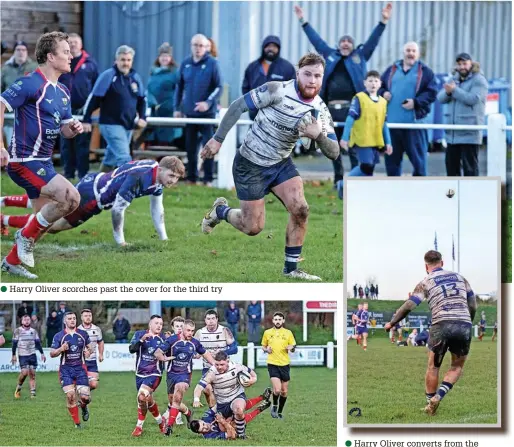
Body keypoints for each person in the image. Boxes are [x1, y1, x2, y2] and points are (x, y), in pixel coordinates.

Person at [200, 52, 339, 281]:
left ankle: (291, 270)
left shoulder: (320, 111)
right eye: (307, 74)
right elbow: (237, 106)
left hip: (280, 164)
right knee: (252, 227)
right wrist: (217, 139)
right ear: (297, 73)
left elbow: (334, 153)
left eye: (317, 76)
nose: (312, 80)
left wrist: (319, 137)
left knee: (301, 209)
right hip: (250, 163)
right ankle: (220, 212)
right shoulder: (276, 90)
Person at [0, 31, 84, 280]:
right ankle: (23, 236)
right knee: (71, 197)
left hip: (43, 161)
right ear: (50, 56)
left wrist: (73, 129)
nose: (71, 55)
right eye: (66, 51)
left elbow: (65, 131)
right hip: (24, 161)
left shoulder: (63, 93)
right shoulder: (30, 83)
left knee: (44, 222)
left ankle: (11, 262)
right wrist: (1, 146)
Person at [294, 3, 392, 193]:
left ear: (353, 46)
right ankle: (338, 180)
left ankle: (357, 181)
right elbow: (316, 40)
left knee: (354, 145)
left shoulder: (360, 56)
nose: (346, 43)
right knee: (333, 145)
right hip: (330, 110)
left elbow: (373, 40)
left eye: (349, 41)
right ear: (338, 45)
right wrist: (302, 21)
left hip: (353, 109)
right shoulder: (329, 55)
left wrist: (383, 21)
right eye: (343, 41)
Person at [0, 157, 185, 246]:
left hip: (94, 181)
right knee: (53, 224)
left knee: (49, 204)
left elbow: (157, 208)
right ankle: (4, 220)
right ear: (161, 169)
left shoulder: (155, 174)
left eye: (176, 178)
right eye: (171, 175)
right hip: (93, 197)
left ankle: (4, 201)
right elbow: (117, 210)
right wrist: (120, 242)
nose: (172, 181)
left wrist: (164, 238)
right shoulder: (141, 177)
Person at [384, 250, 477, 416]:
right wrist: (467, 322)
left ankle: (430, 403)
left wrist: (392, 323)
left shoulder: (425, 281)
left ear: (426, 266)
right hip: (463, 324)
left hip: (441, 324)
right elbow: (473, 304)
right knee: (456, 366)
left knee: (433, 367)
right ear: (442, 262)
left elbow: (408, 306)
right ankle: (439, 396)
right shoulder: (460, 278)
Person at [82, 45, 147, 172]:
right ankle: (129, 188)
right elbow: (94, 98)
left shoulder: (135, 77)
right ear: (116, 60)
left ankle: (98, 183)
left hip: (128, 124)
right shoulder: (108, 76)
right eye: (122, 60)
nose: (125, 63)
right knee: (124, 157)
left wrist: (143, 117)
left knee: (110, 158)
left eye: (128, 60)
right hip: (110, 123)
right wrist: (86, 119)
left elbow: (142, 100)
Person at [379, 42, 437, 176]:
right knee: (392, 162)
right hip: (392, 125)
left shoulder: (425, 71)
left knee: (419, 163)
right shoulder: (391, 70)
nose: (410, 53)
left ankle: (419, 191)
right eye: (408, 50)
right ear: (403, 52)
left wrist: (416, 102)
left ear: (418, 54)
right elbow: (380, 86)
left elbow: (432, 92)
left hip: (415, 125)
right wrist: (383, 93)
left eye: (413, 51)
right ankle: (394, 190)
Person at [174, 34, 223, 185]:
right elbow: (179, 87)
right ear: (191, 45)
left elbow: (219, 87)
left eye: (201, 45)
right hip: (189, 114)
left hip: (207, 115)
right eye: (195, 45)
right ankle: (192, 178)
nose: (198, 48)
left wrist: (207, 103)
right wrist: (177, 108)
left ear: (206, 47)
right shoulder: (185, 63)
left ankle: (207, 179)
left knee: (208, 147)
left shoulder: (212, 63)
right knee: (190, 147)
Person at [159, 319, 215, 436]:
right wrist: (162, 357)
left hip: (185, 375)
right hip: (171, 374)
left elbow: (205, 353)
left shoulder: (194, 342)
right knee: (173, 401)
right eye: (188, 330)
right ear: (182, 330)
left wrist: (216, 364)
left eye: (192, 331)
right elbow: (158, 352)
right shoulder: (172, 340)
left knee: (178, 394)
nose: (190, 333)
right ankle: (188, 412)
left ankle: (169, 426)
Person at [437, 53, 488, 176]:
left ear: (471, 63)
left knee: (470, 170)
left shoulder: (479, 80)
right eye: (459, 64)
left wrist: (454, 90)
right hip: (453, 135)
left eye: (465, 63)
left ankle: (471, 195)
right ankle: (453, 195)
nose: (462, 67)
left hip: (469, 133)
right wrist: (449, 92)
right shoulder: (453, 79)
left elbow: (473, 99)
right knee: (451, 169)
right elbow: (440, 98)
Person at [58, 33, 98, 180]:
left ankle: (83, 176)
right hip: (64, 110)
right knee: (66, 144)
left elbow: (96, 88)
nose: (73, 45)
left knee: (82, 144)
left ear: (81, 44)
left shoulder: (90, 63)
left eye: (76, 42)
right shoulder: (61, 61)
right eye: (70, 43)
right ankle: (68, 174)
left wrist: (91, 108)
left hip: (83, 110)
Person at [193, 351, 258, 439]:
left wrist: (253, 380)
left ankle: (241, 434)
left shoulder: (236, 366)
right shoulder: (212, 372)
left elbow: (253, 374)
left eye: (222, 364)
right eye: (217, 364)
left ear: (227, 361)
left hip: (237, 395)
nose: (219, 367)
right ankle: (238, 431)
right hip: (222, 403)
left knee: (238, 410)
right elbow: (199, 387)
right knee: (225, 425)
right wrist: (196, 399)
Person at [128, 314, 174, 437]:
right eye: (156, 323)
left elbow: (171, 352)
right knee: (147, 400)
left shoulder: (164, 338)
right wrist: (142, 340)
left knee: (142, 397)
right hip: (139, 374)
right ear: (150, 324)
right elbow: (131, 349)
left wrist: (171, 340)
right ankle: (161, 422)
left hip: (155, 374)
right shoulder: (139, 334)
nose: (159, 326)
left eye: (161, 324)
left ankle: (139, 427)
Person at [50, 311, 94, 428]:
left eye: (74, 318)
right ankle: (77, 423)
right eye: (69, 318)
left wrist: (89, 351)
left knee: (85, 398)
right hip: (66, 369)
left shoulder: (83, 334)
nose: (72, 320)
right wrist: (61, 349)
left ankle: (84, 407)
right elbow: (52, 354)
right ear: (65, 321)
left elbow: (91, 347)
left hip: (80, 369)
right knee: (70, 396)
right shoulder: (59, 336)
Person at [242, 35, 296, 120]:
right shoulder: (252, 67)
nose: (271, 49)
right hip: (256, 116)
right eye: (268, 46)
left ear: (278, 49)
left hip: (278, 118)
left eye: (274, 46)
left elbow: (293, 91)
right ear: (263, 48)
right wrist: (251, 105)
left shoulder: (287, 68)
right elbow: (245, 88)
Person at [194, 309, 238, 410]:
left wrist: (222, 354)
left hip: (224, 368)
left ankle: (223, 412)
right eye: (208, 319)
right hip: (208, 368)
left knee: (225, 395)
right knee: (207, 389)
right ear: (205, 320)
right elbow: (194, 351)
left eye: (213, 318)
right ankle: (213, 412)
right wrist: (197, 354)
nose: (211, 321)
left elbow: (235, 348)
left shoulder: (224, 331)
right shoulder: (200, 333)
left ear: (217, 319)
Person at [190, 389, 271, 439]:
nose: (206, 427)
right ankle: (258, 410)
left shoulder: (206, 417)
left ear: (201, 420)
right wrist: (223, 421)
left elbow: (216, 406)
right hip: (231, 427)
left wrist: (222, 411)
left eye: (203, 424)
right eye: (203, 430)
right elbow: (231, 435)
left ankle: (262, 397)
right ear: (200, 433)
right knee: (233, 424)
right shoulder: (210, 436)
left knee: (236, 406)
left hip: (226, 415)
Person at [1, 40, 38, 149]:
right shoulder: (5, 69)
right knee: (13, 147)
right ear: (14, 52)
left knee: (29, 148)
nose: (21, 52)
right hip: (10, 117)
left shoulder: (35, 68)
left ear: (27, 52)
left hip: (30, 115)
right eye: (18, 50)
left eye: (23, 50)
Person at [261, 312, 296, 419]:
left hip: (284, 364)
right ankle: (275, 406)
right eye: (275, 319)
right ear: (273, 321)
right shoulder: (267, 332)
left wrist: (291, 348)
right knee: (277, 390)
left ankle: (280, 412)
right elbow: (263, 346)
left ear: (283, 321)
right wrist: (267, 350)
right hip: (272, 364)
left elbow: (293, 347)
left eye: (279, 319)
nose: (277, 321)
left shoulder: (288, 333)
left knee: (284, 391)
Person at [146, 42, 182, 145]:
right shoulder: (153, 72)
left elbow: (179, 91)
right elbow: (149, 89)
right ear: (159, 58)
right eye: (162, 56)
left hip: (169, 112)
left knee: (167, 141)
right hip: (155, 112)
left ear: (170, 58)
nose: (164, 58)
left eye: (167, 56)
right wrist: (152, 101)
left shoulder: (175, 73)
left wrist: (171, 105)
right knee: (154, 141)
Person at [12, 314, 46, 399]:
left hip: (32, 355)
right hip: (22, 355)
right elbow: (14, 344)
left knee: (32, 374)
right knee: (24, 373)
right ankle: (18, 388)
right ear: (21, 321)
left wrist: (42, 353)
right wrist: (13, 355)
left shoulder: (33, 331)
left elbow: (38, 343)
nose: (27, 321)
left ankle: (33, 394)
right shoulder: (17, 331)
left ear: (30, 321)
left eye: (28, 319)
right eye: (25, 320)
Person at [161, 316, 185, 426]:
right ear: (173, 327)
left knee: (178, 395)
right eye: (177, 326)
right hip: (171, 371)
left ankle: (178, 416)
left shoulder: (187, 339)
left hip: (183, 372)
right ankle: (169, 409)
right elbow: (163, 354)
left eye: (181, 326)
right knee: (171, 396)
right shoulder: (170, 340)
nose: (179, 328)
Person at [77, 308, 104, 391]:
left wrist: (101, 354)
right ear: (81, 318)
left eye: (89, 315)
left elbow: (100, 342)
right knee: (82, 383)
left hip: (92, 361)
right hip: (80, 362)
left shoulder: (96, 329)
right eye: (86, 316)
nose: (88, 317)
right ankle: (82, 399)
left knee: (94, 384)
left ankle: (82, 393)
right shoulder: (77, 330)